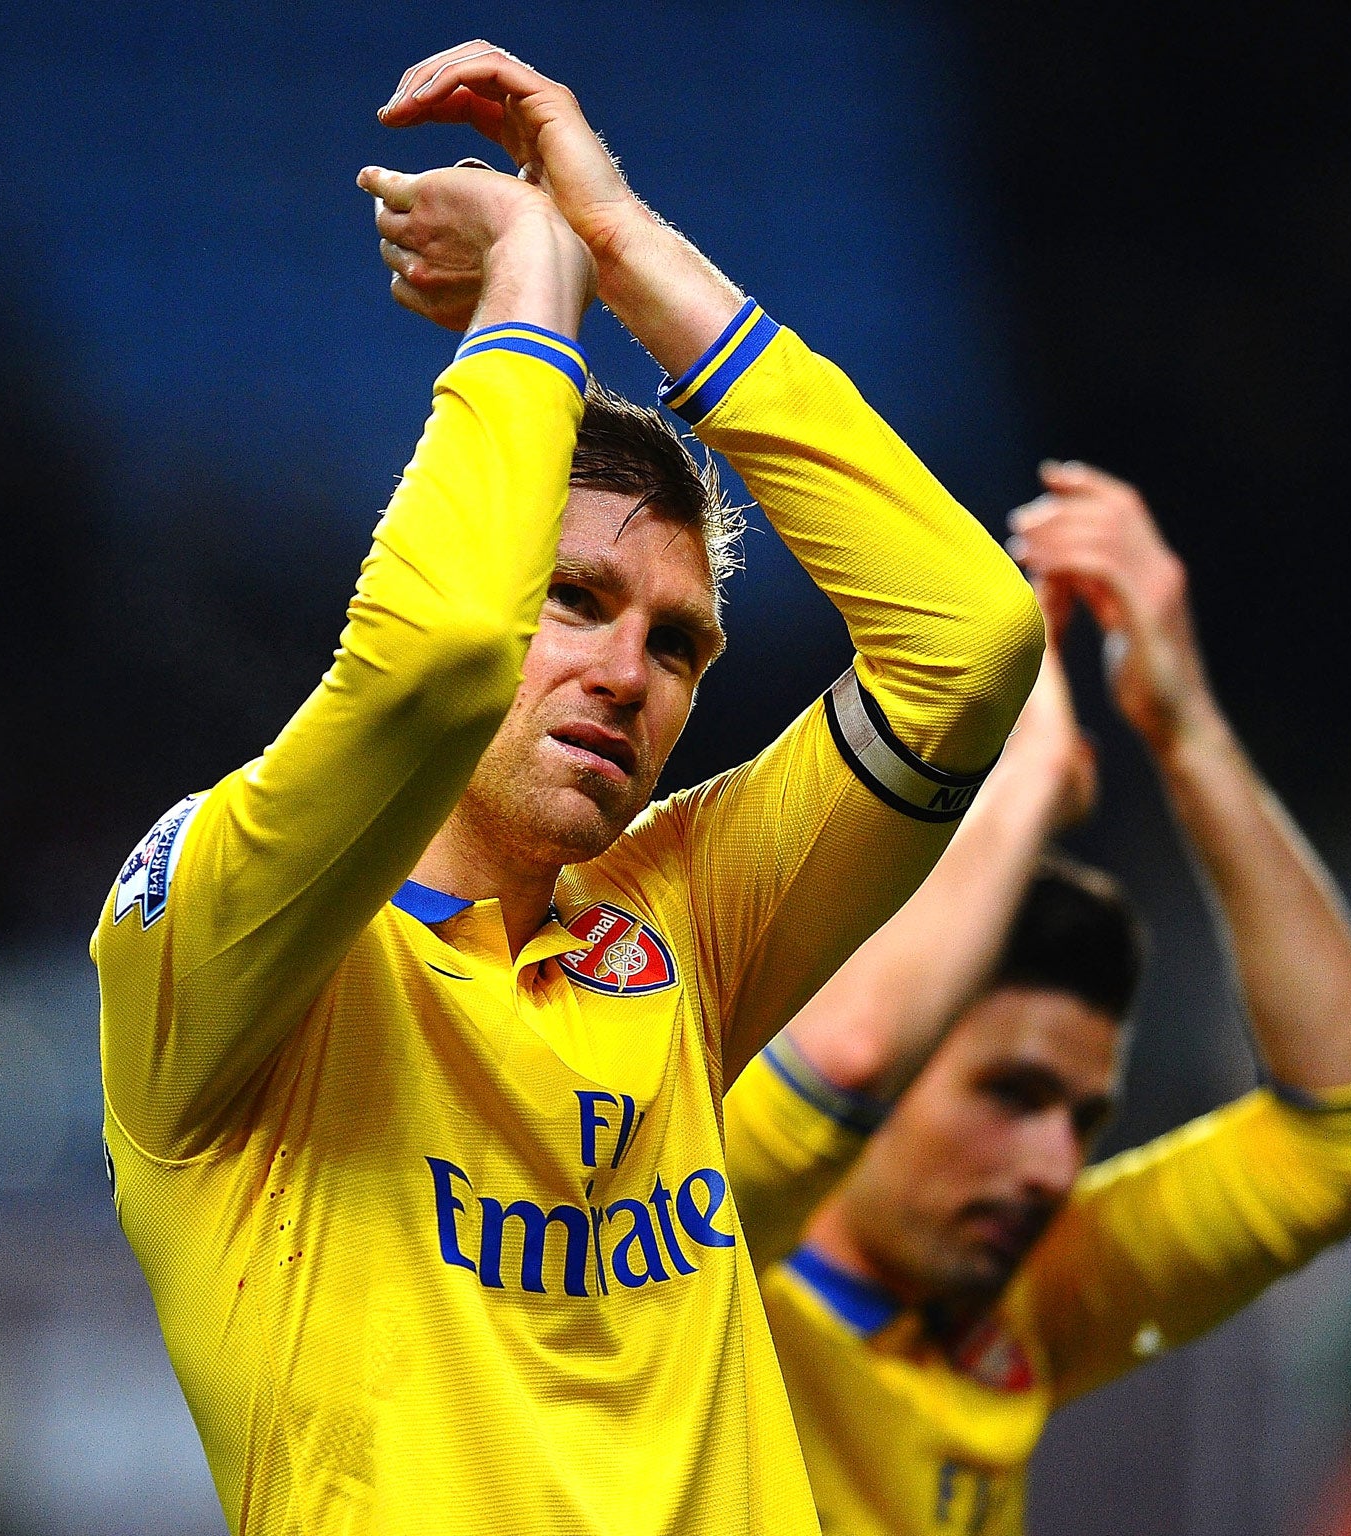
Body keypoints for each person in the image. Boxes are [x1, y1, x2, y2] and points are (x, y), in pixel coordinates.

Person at [92, 40, 1041, 1536]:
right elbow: (437, 659)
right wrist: (533, 286)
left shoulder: (680, 927)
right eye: (578, 601)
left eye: (677, 644)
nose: (627, 673)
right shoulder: (228, 940)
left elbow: (968, 643)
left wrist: (619, 245)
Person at [723, 462, 1351, 1535]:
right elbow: (852, 1052)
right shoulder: (686, 1256)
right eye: (1010, 1094)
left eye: (1080, 1117)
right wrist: (1027, 775)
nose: (1055, 1167)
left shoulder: (1020, 1303)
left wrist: (1182, 726)